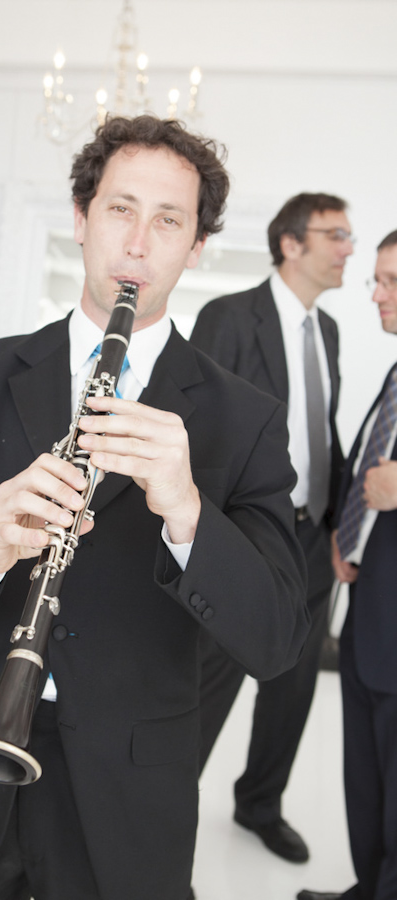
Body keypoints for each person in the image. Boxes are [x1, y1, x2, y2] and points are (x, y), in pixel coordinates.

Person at [0, 115, 309, 900]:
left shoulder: (244, 417)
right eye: (120, 209)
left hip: (127, 800)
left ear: (196, 247)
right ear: (80, 220)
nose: (139, 242)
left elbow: (276, 637)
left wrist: (186, 511)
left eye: (168, 220)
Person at [190, 193, 352, 862]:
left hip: (312, 543)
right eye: (335, 234)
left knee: (292, 689)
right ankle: (158, 816)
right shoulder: (228, 319)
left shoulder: (330, 331)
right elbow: (194, 435)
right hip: (243, 545)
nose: (348, 249)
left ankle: (260, 803)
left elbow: (318, 434)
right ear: (291, 243)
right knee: (203, 691)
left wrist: (346, 519)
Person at [298, 230, 397, 900]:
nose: (375, 294)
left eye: (390, 282)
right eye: (378, 279)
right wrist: (345, 536)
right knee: (368, 778)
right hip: (371, 613)